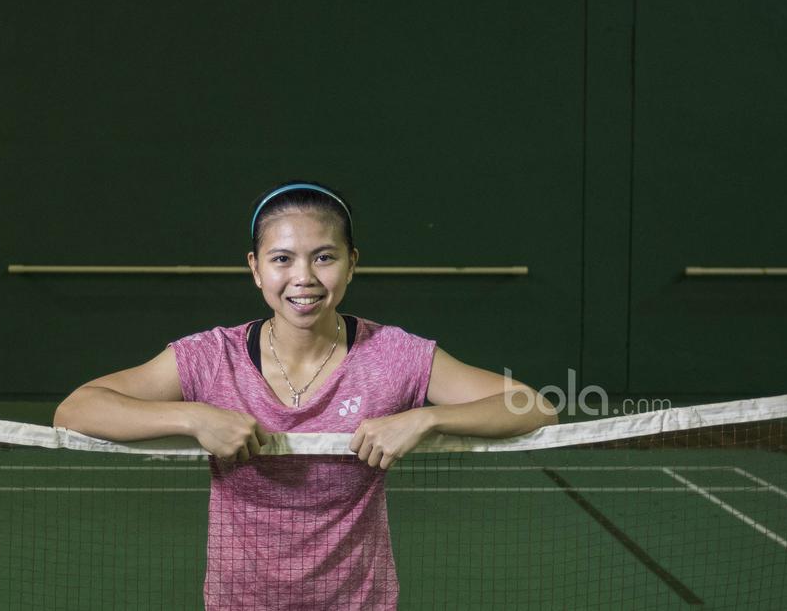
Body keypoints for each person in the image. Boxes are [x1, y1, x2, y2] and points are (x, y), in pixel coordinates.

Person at [54, 180, 556, 610]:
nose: (304, 278)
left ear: (351, 263)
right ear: (255, 268)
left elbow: (534, 406)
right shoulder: (211, 357)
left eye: (324, 257)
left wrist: (428, 420)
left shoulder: (393, 355)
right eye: (282, 259)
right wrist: (192, 416)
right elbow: (76, 410)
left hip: (357, 603)